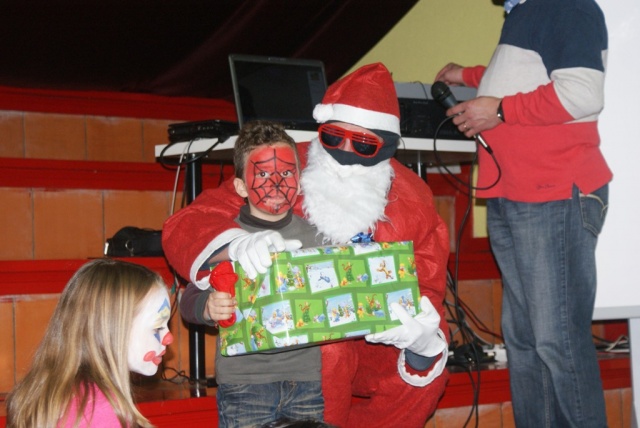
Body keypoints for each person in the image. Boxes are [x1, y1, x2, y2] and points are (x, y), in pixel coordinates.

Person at [164, 62, 451, 428]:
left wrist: (422, 342)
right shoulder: (285, 164)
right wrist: (235, 245)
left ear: (388, 146)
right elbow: (190, 221)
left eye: (364, 144)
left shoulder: (413, 200)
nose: (344, 151)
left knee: (430, 363)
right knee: (329, 352)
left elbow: (427, 287)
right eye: (332, 137)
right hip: (300, 349)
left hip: (375, 340)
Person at [434, 0, 612, 426]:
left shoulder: (566, 6)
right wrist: (469, 76)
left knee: (557, 341)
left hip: (553, 194)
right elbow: (528, 78)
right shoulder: (526, 13)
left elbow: (582, 93)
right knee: (526, 341)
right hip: (517, 194)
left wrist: (497, 110)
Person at [179, 120, 326, 427]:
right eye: (263, 174)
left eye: (286, 173)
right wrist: (207, 306)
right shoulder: (224, 240)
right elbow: (188, 298)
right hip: (245, 383)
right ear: (241, 186)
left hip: (306, 379)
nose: (276, 184)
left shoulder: (318, 237)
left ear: (299, 181)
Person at [6, 258, 173, 428]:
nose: (169, 338)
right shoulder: (100, 410)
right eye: (157, 327)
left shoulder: (48, 392)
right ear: (112, 329)